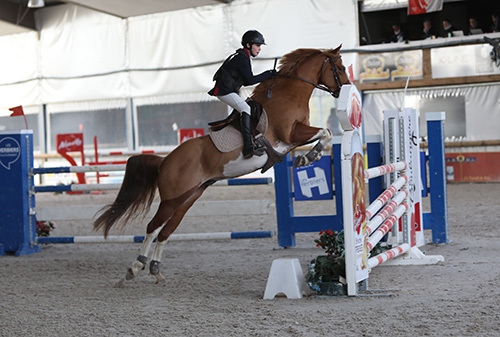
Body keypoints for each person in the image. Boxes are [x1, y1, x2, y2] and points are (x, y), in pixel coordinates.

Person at [208, 30, 276, 159]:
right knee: (246, 108)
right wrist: (268, 74)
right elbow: (250, 80)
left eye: (260, 46)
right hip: (225, 91)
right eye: (258, 45)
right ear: (249, 45)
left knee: (245, 107)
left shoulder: (243, 56)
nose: (259, 49)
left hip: (228, 90)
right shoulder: (242, 58)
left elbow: (245, 81)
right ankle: (247, 147)